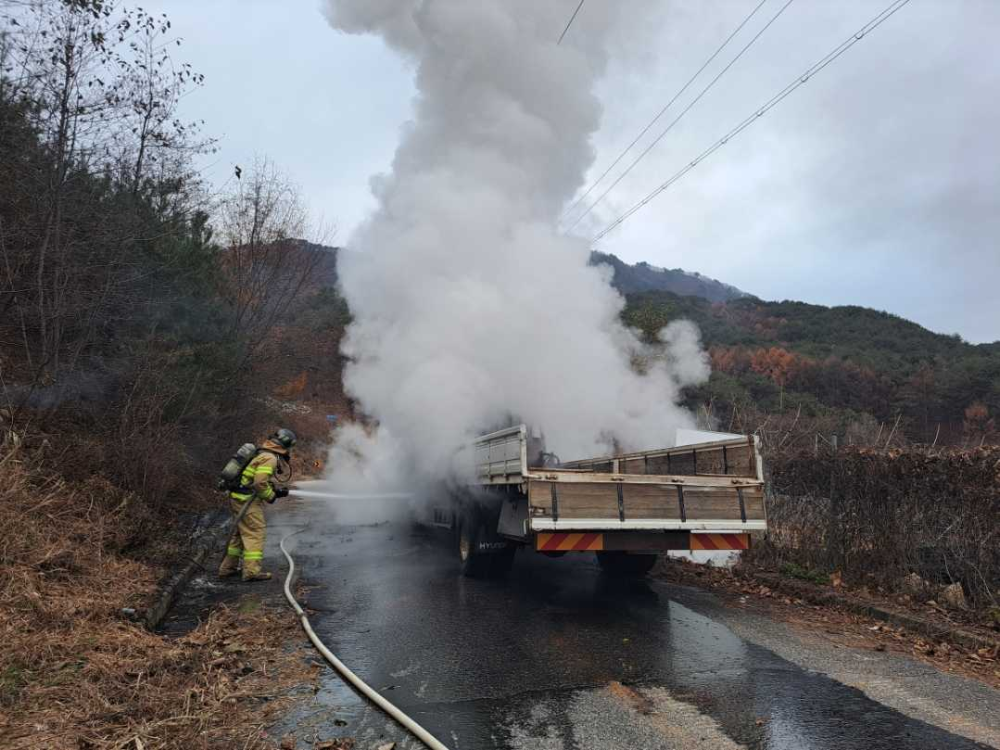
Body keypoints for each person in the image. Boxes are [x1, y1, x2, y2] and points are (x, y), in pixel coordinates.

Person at [218, 428, 296, 581]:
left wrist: (273, 489)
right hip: (246, 500)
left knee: (240, 534)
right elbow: (260, 483)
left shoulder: (262, 453)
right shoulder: (270, 458)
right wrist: (272, 495)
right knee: (255, 533)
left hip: (238, 497)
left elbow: (255, 478)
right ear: (286, 446)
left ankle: (227, 568)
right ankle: (251, 572)